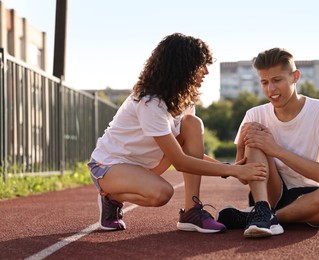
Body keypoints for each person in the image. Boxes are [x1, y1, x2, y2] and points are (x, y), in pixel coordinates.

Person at [87, 33, 267, 233]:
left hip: (147, 166)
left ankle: (192, 211)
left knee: (193, 124)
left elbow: (190, 153)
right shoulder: (149, 102)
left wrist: (228, 168)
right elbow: (180, 161)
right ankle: (110, 197)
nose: (206, 72)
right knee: (161, 193)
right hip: (109, 165)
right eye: (201, 66)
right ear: (183, 67)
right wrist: (233, 171)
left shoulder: (184, 101)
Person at [216, 47, 319, 238]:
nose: (271, 90)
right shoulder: (254, 115)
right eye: (264, 82)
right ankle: (263, 210)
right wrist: (241, 146)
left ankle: (265, 217)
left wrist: (277, 150)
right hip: (271, 194)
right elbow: (244, 178)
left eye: (277, 80)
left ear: (295, 77)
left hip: (315, 196)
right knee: (255, 134)